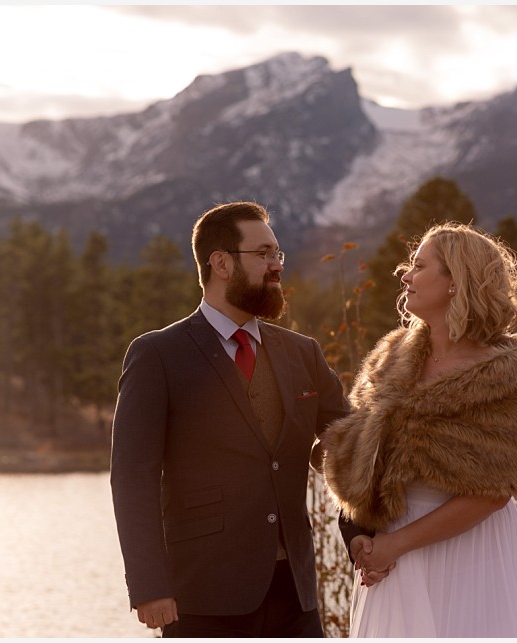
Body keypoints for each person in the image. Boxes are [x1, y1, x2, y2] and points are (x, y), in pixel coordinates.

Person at [110, 201, 349, 637]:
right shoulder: (158, 355)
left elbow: (355, 447)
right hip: (201, 595)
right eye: (263, 254)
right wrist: (149, 586)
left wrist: (362, 537)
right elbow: (132, 478)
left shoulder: (303, 353)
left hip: (296, 595)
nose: (276, 266)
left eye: (278, 254)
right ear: (220, 263)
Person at [316, 221, 517, 637]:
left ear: (456, 282)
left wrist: (398, 544)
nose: (404, 274)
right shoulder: (391, 355)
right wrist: (362, 540)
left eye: (419, 265)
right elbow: (358, 459)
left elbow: (494, 493)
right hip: (387, 551)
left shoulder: (508, 373)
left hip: (468, 550)